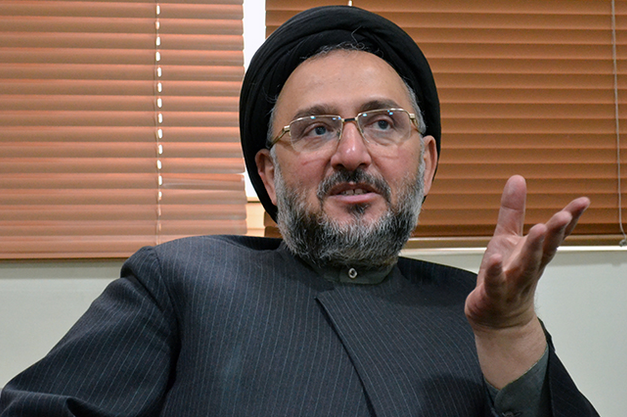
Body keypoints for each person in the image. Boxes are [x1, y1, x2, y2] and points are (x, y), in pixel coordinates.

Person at [0, 6, 598, 417]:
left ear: (427, 163)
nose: (352, 153)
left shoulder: (484, 311)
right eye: (316, 129)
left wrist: (511, 336)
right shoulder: (182, 281)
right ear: (268, 173)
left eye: (382, 123)